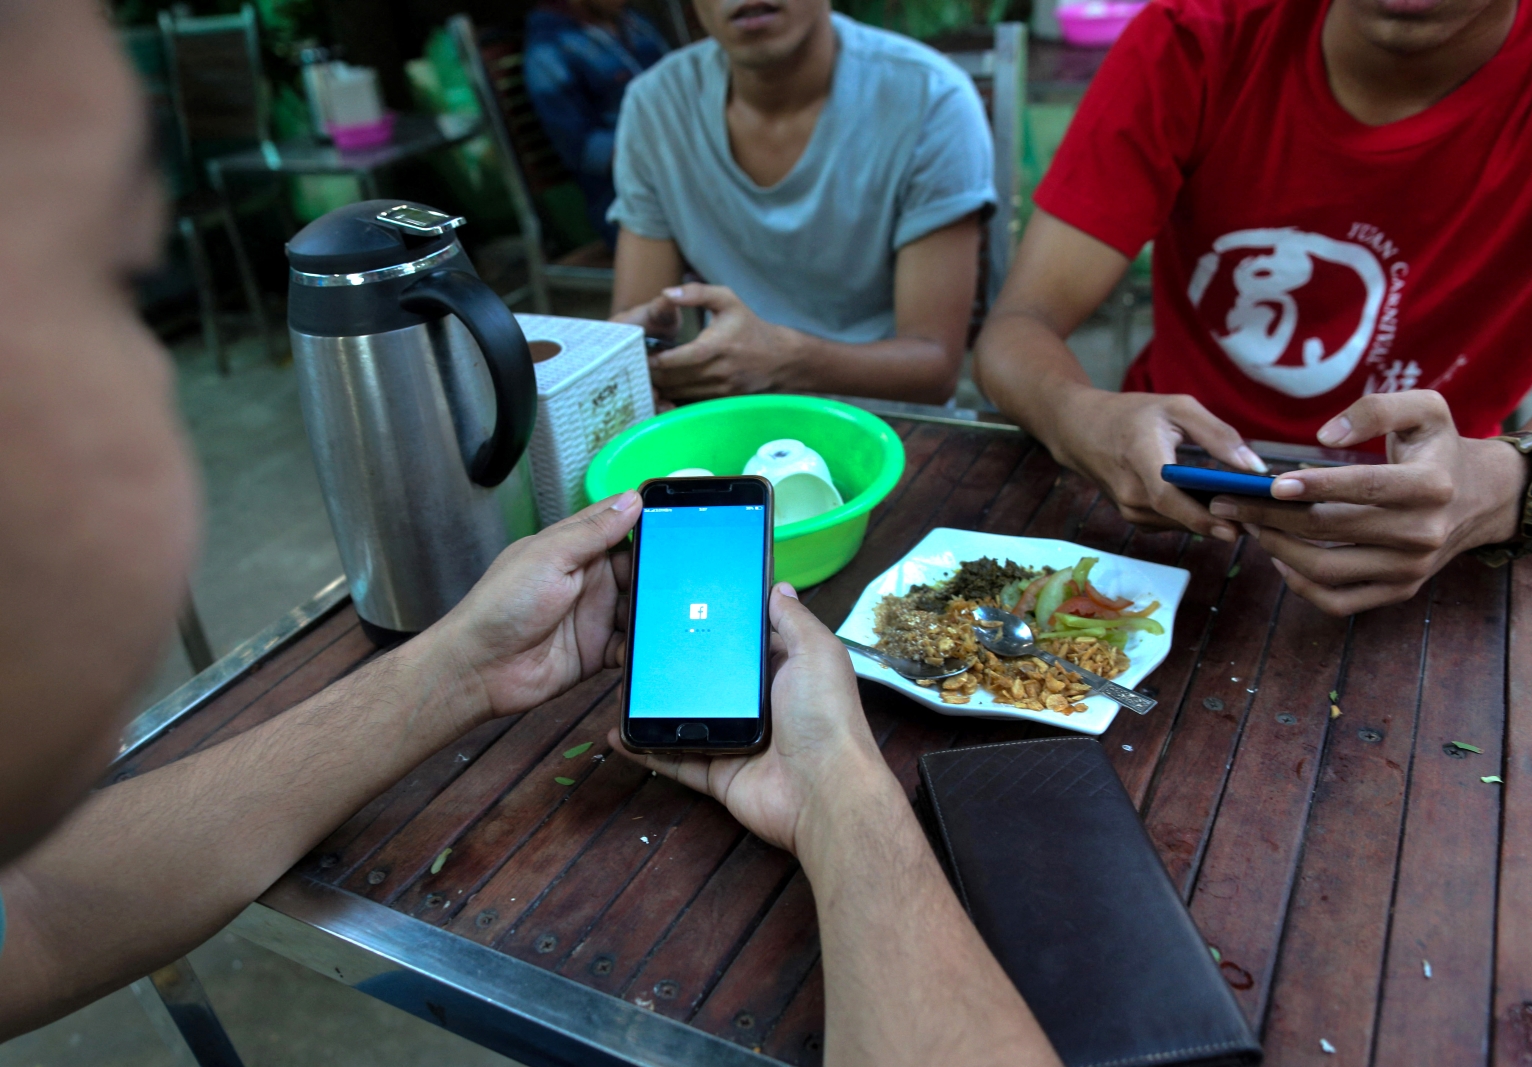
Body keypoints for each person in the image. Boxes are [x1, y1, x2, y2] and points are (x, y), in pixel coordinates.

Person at [0, 4, 1061, 1062]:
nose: (151, 383)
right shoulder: (662, 105)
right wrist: (840, 786)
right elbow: (41, 909)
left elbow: (41, 910)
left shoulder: (918, 96)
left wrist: (459, 665)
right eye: (98, 293)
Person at [973, 0, 1532, 616]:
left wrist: (1504, 483)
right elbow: (1017, 329)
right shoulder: (1195, 33)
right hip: (1169, 509)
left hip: (1437, 532)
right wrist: (1081, 418)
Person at [606, 0, 995, 404]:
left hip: (889, 423)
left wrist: (784, 362)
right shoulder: (655, 106)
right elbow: (631, 329)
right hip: (728, 415)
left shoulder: (930, 99)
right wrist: (640, 349)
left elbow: (935, 369)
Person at [522, 0, 670, 245]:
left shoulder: (635, 23)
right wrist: (666, 156)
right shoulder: (548, 50)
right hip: (628, 202)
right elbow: (582, 148)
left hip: (689, 174)